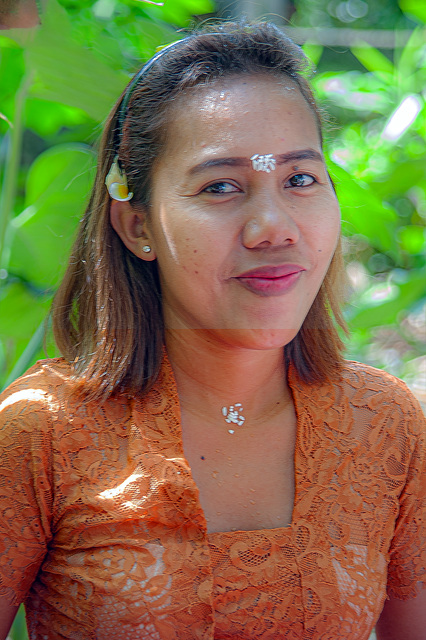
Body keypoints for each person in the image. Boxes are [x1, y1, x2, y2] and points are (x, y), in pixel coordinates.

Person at [0, 20, 424, 640]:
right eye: (221, 186)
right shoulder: (40, 435)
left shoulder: (386, 426)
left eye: (300, 179)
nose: (273, 227)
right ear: (137, 226)